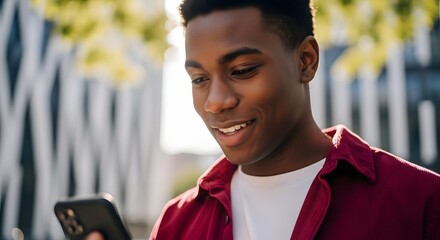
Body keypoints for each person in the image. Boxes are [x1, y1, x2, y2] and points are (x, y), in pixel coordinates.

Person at [89, 0, 440, 239]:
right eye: (199, 79)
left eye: (242, 71)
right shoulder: (177, 222)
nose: (215, 102)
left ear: (305, 61)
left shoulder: (421, 201)